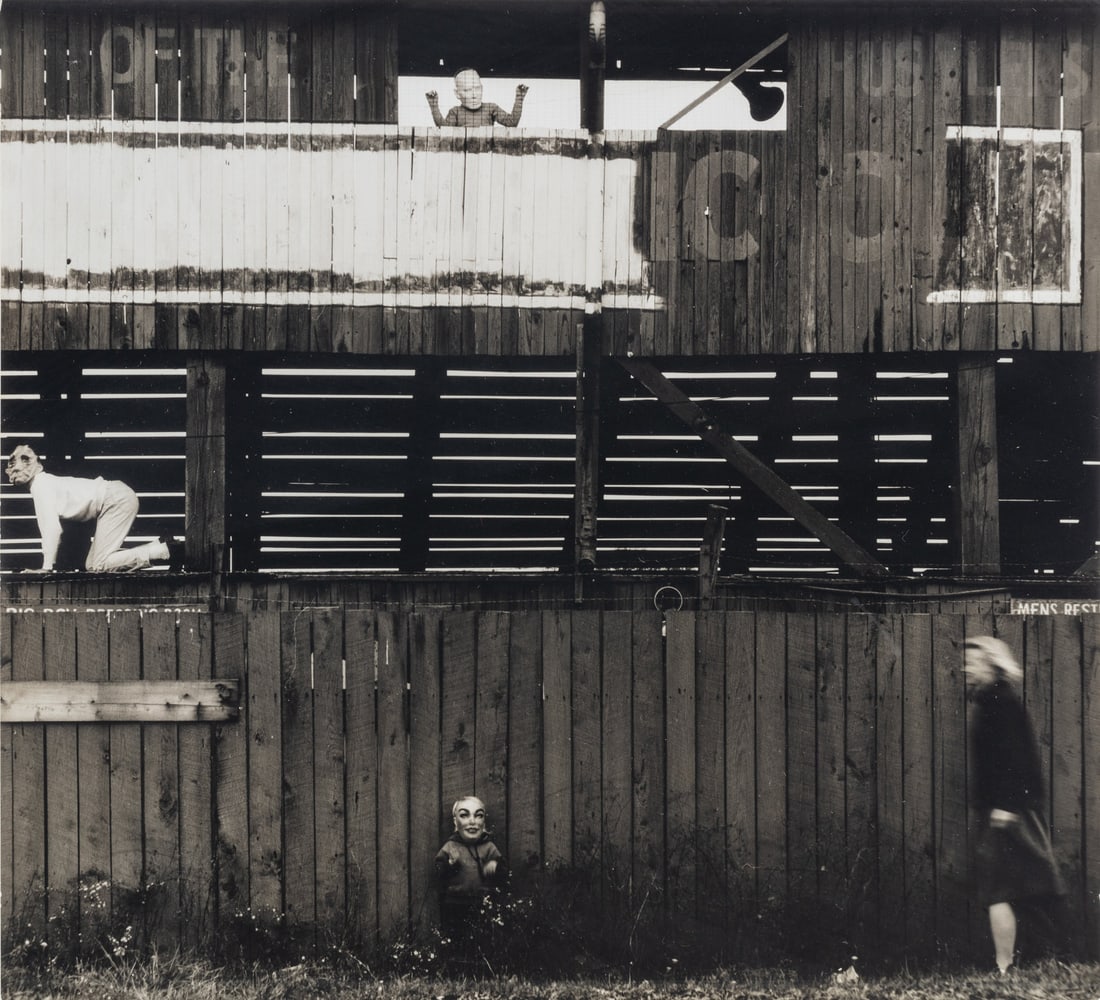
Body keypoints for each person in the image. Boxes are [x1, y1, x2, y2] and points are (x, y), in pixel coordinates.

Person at [965, 635, 1068, 974]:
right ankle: (1031, 960)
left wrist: (1005, 806)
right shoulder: (992, 700)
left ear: (992, 665)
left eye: (973, 662)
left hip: (1008, 810)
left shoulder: (1000, 702)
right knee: (1024, 885)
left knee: (1002, 888)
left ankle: (1007, 965)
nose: (966, 668)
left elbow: (1016, 758)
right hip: (1006, 808)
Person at [5, 444, 183, 573]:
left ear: (35, 464)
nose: (14, 468)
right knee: (93, 565)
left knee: (98, 565)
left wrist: (46, 568)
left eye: (23, 460)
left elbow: (51, 529)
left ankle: (167, 551)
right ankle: (161, 546)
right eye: (11, 463)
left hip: (115, 499)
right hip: (115, 497)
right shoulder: (44, 483)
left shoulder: (41, 485)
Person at [433, 795, 507, 957]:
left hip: (483, 903)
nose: (472, 821)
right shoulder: (451, 847)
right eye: (464, 815)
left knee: (483, 939)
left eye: (478, 815)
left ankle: (481, 969)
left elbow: (503, 872)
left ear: (484, 823)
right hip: (455, 903)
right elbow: (438, 873)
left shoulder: (489, 847)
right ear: (455, 822)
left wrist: (495, 866)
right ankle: (456, 969)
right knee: (456, 939)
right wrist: (449, 866)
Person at [426, 69, 528, 127]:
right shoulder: (455, 112)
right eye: (467, 90)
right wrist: (434, 106)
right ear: (457, 94)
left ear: (482, 88)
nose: (474, 95)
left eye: (477, 88)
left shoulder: (490, 108)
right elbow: (445, 130)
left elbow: (511, 123)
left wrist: (519, 97)